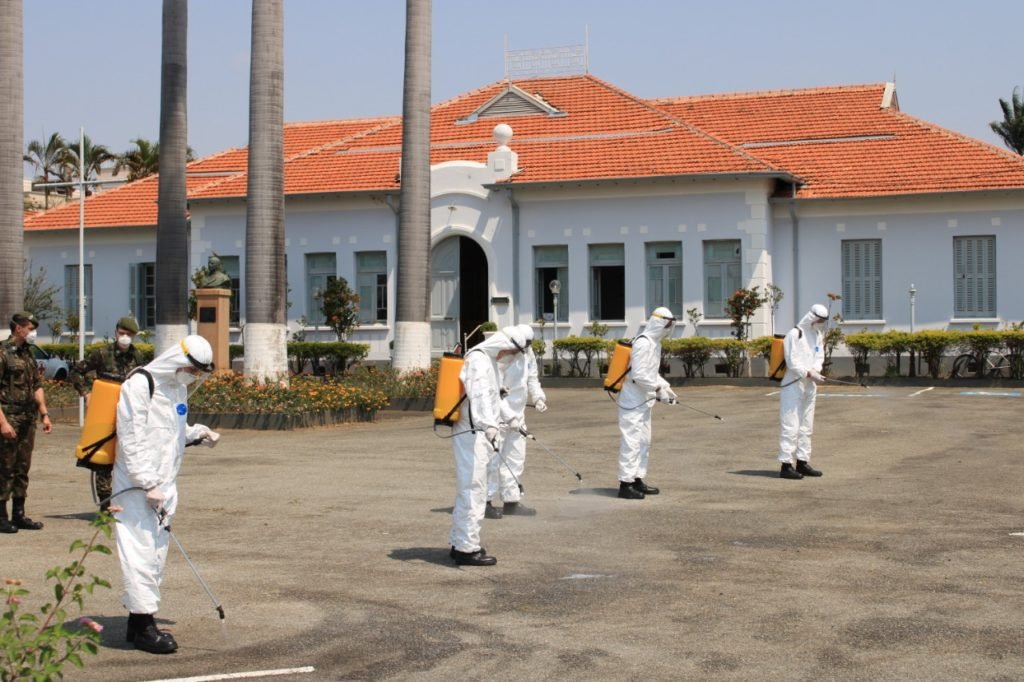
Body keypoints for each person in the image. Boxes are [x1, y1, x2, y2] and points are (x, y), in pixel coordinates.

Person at [113, 335, 220, 654]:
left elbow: (171, 433)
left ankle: (137, 621)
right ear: (177, 360)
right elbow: (131, 440)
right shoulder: (139, 385)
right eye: (192, 369)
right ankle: (146, 628)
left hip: (164, 486)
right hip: (135, 488)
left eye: (199, 372)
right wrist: (147, 484)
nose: (194, 376)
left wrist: (199, 434)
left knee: (155, 555)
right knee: (139, 552)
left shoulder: (176, 389)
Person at [449, 326, 527, 566]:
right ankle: (466, 548)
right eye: (510, 352)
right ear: (502, 345)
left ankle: (460, 541)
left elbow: (489, 394)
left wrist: (501, 411)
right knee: (474, 488)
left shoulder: (487, 359)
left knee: (474, 487)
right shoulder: (479, 359)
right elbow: (480, 396)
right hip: (473, 432)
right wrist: (489, 425)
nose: (508, 357)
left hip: (477, 431)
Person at [69, 316, 145, 512]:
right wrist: (86, 393)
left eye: (129, 334)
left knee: (126, 455)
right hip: (104, 410)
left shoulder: (137, 357)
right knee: (103, 457)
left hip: (128, 412)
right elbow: (76, 372)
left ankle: (124, 502)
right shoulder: (102, 354)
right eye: (122, 333)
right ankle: (105, 505)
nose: (125, 337)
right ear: (115, 332)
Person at [485, 324, 547, 519]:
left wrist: (538, 397)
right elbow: (494, 390)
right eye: (523, 345)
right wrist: (507, 416)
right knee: (493, 460)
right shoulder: (502, 356)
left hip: (518, 415)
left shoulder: (527, 353)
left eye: (528, 344)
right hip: (499, 417)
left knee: (515, 458)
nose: (525, 348)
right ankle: (485, 501)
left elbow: (532, 378)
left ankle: (511, 501)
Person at [0, 312, 53, 533]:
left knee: (22, 466)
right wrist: (2, 423)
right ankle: (1, 516)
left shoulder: (28, 354)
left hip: (27, 419)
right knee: (5, 468)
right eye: (29, 328)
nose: (32, 332)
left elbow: (37, 386)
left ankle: (19, 514)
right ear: (18, 328)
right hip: (8, 417)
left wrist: (44, 413)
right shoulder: (3, 353)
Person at [617, 307, 676, 500]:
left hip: (644, 400)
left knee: (644, 441)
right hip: (632, 400)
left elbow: (650, 373)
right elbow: (639, 375)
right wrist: (658, 390)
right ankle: (625, 484)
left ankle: (637, 479)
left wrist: (665, 386)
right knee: (631, 442)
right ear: (658, 323)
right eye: (667, 326)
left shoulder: (654, 344)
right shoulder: (643, 343)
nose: (668, 330)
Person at [777, 304, 828, 480]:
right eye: (818, 319)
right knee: (791, 424)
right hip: (793, 384)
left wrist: (815, 371)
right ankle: (786, 465)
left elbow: (819, 355)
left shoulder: (817, 334)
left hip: (810, 384)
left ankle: (802, 461)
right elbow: (792, 361)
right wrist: (807, 373)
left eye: (822, 321)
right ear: (810, 316)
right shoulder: (794, 334)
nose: (820, 323)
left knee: (807, 424)